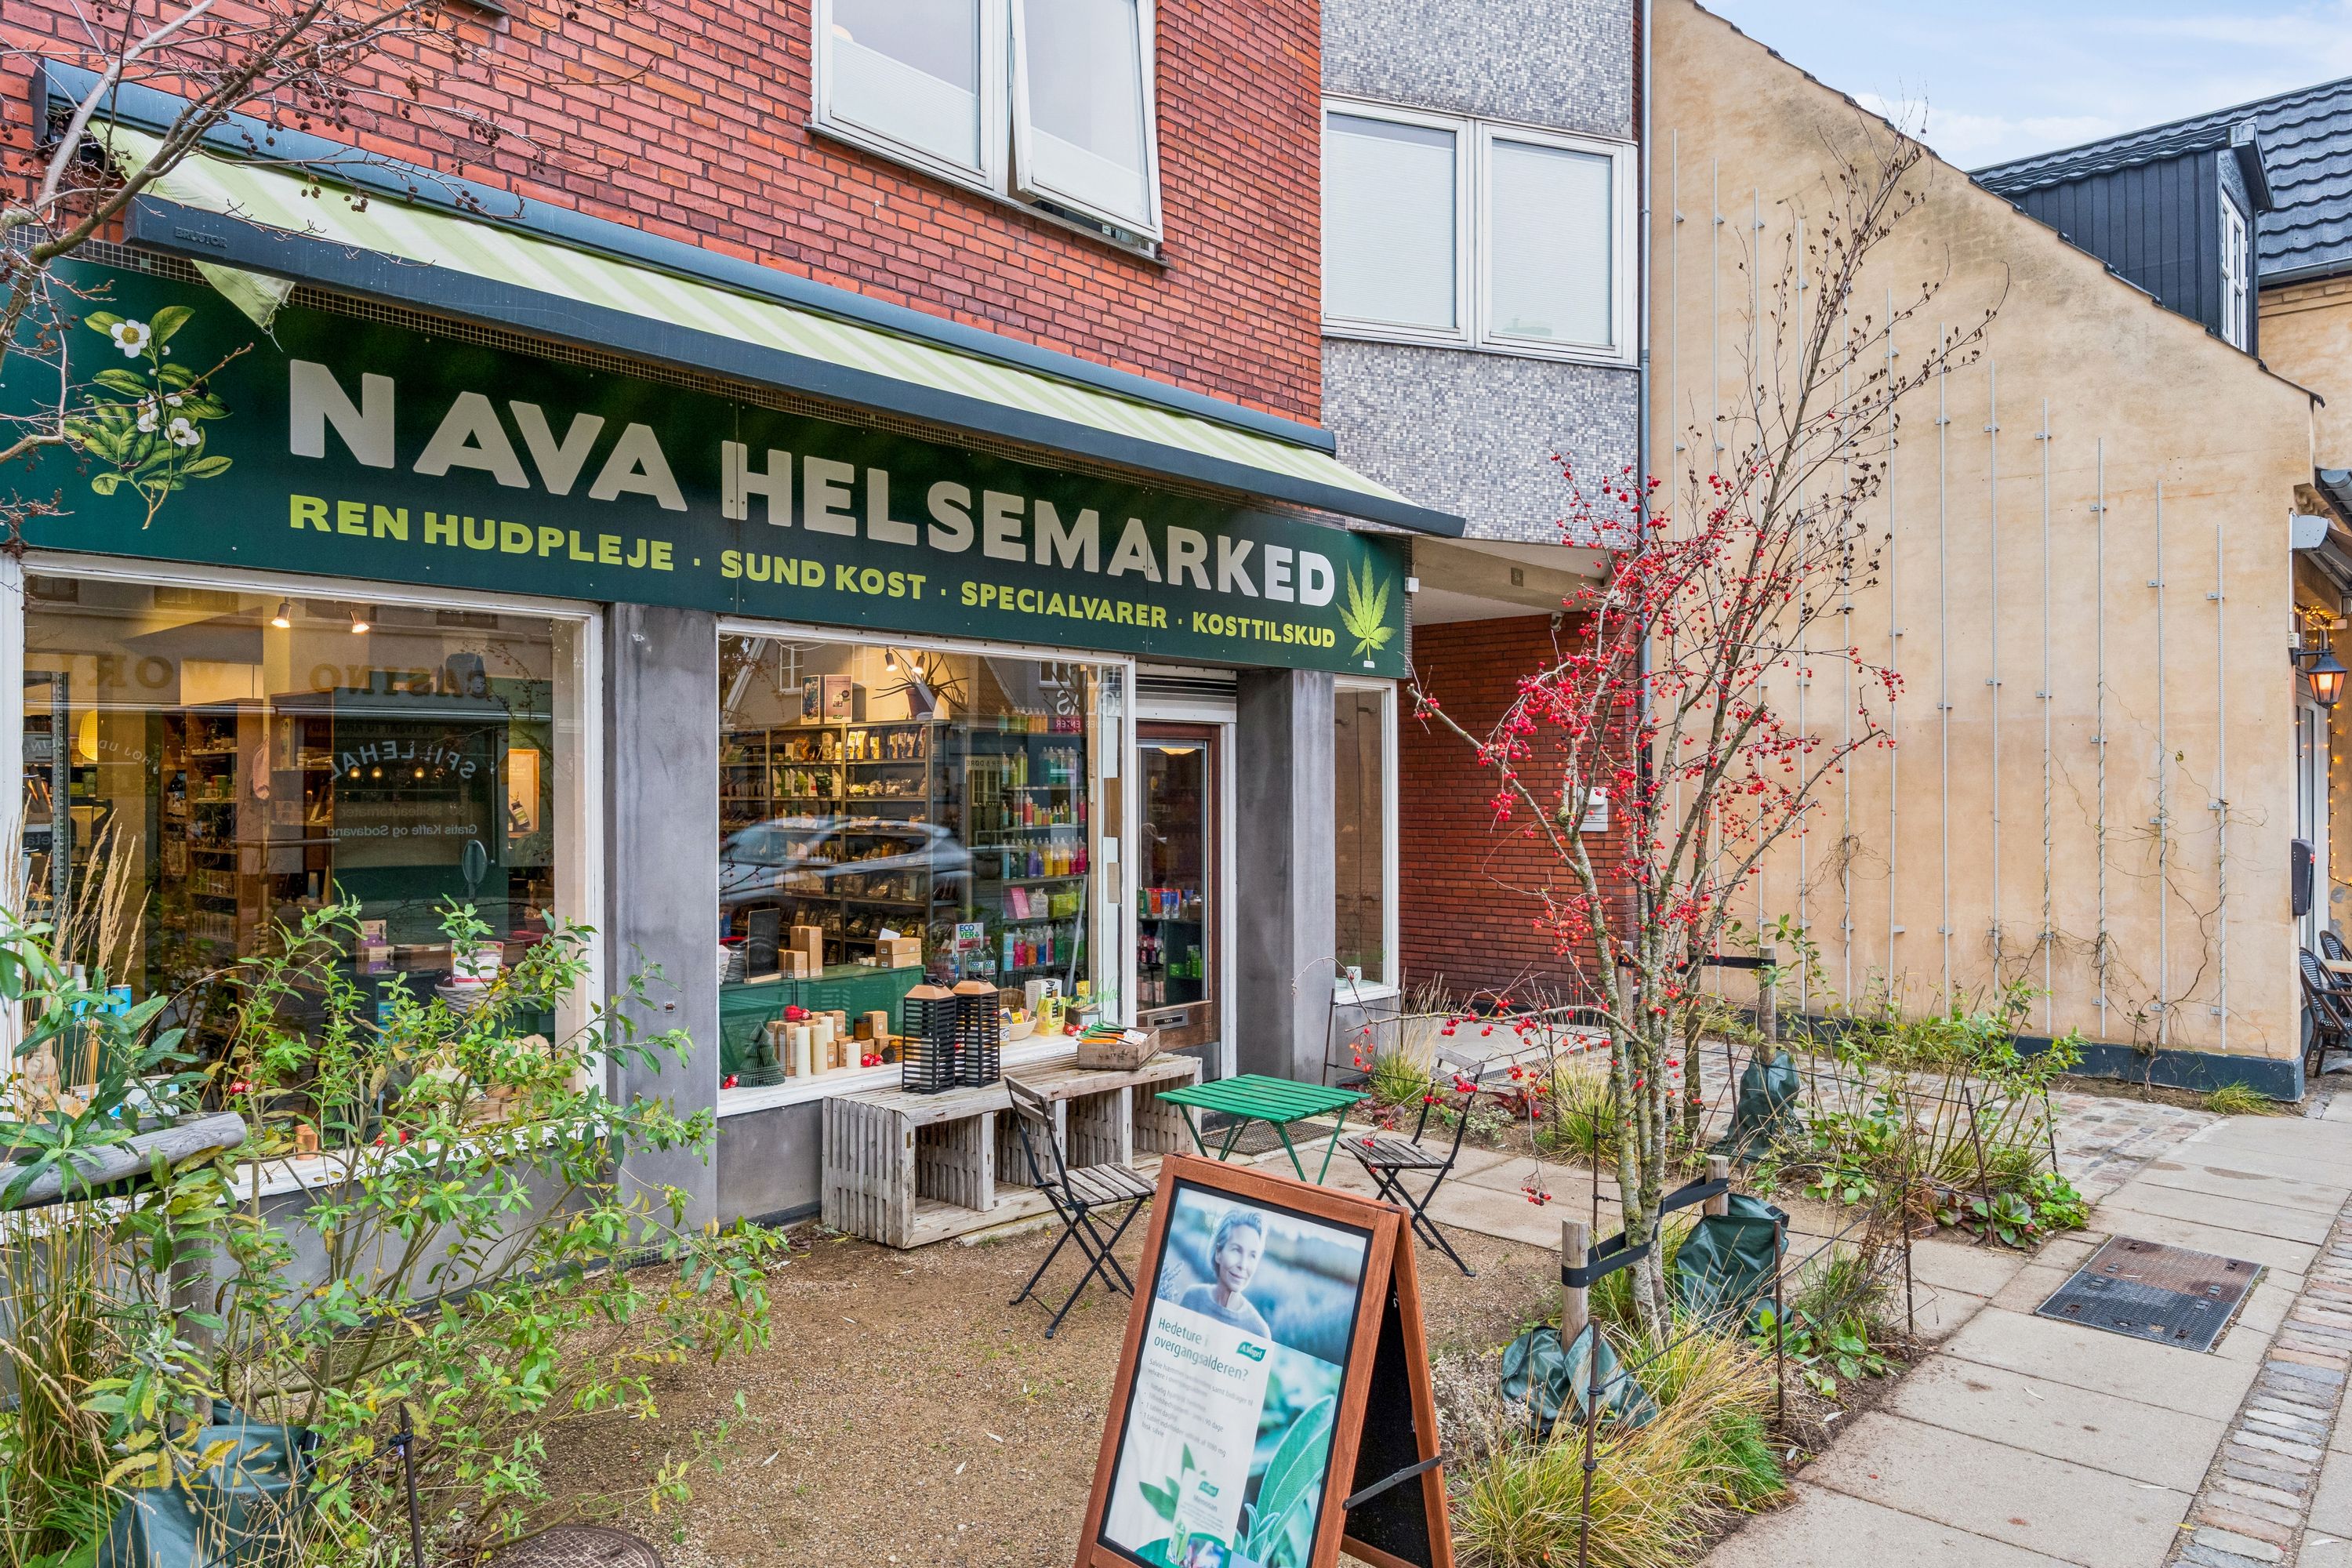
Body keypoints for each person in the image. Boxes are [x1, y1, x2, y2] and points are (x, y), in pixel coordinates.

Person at [1176, 1208, 1272, 1336]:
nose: (1243, 1265)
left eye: (1252, 1255)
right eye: (1236, 1250)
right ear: (1218, 1253)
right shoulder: (1193, 1297)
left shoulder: (1259, 1331)